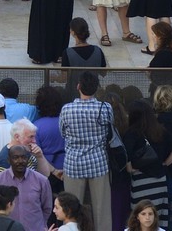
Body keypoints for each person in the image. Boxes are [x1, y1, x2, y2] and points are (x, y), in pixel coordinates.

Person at [58, 73, 114, 231]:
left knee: (71, 210)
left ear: (78, 87)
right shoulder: (105, 108)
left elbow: (62, 132)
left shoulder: (67, 109)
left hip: (73, 163)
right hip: (99, 162)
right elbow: (110, 130)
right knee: (101, 210)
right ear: (97, 89)